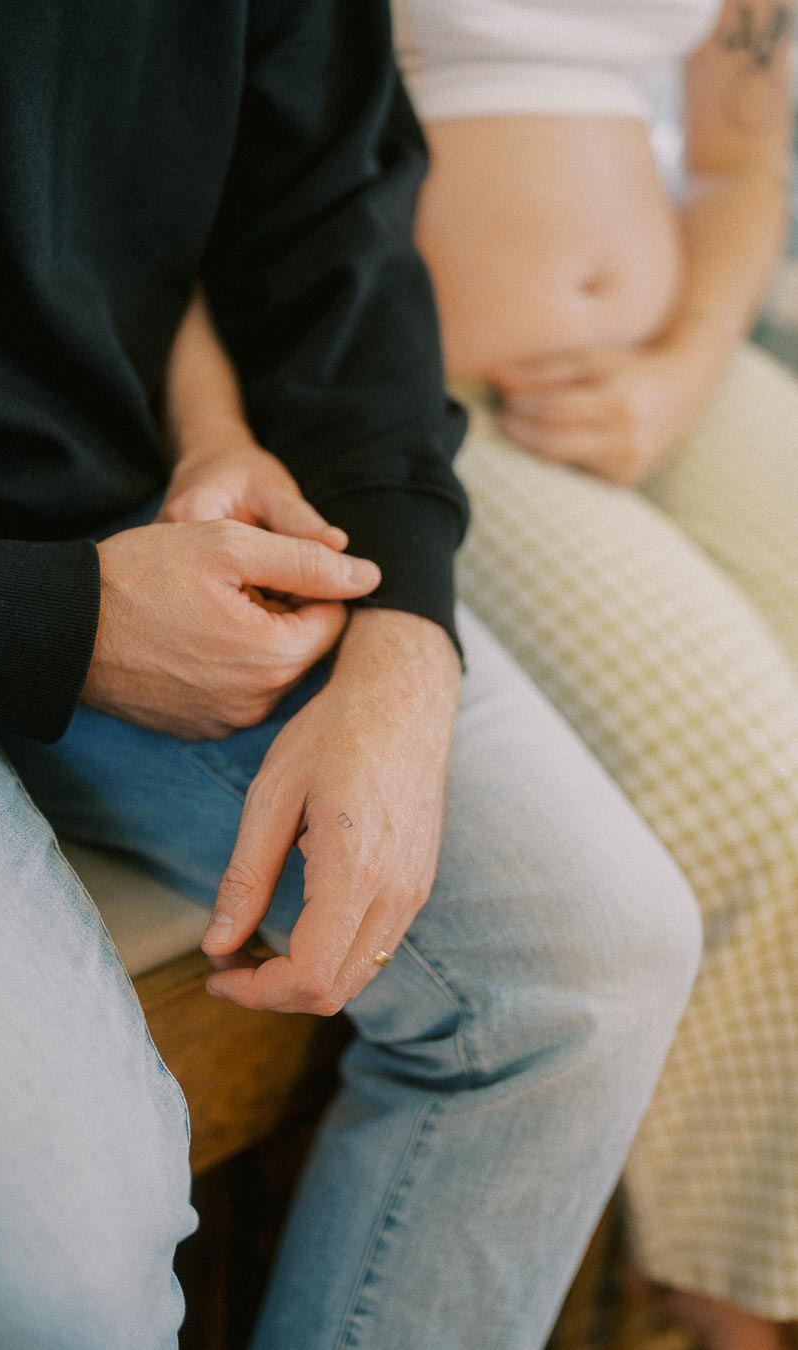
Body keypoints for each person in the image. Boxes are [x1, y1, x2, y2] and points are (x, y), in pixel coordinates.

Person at [0, 5, 702, 1349]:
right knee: (55, 1289)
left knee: (587, 961)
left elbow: (318, 218)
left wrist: (403, 627)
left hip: (134, 511)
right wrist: (47, 616)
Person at [389, 0, 798, 1345]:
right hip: (421, 408)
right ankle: (740, 1310)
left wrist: (679, 370)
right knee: (769, 798)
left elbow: (738, 159)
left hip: (678, 361)